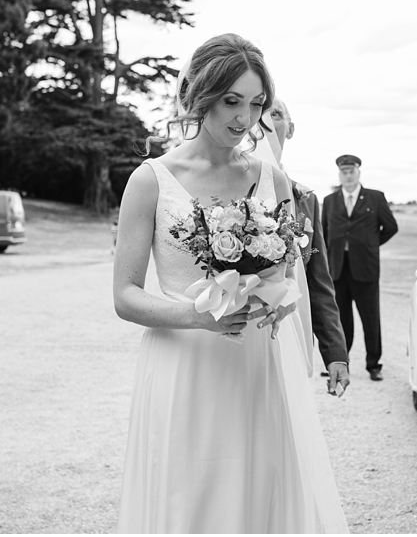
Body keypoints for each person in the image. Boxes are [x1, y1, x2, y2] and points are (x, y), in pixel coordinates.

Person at [113, 33, 348, 533]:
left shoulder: (272, 179)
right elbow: (125, 296)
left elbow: (287, 275)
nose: (244, 119)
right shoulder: (151, 179)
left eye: (256, 103)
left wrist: (271, 297)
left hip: (256, 363)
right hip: (183, 363)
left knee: (261, 496)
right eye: (232, 101)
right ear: (202, 95)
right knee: (189, 501)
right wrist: (196, 316)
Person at [261, 98, 351, 390]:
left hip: (293, 333)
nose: (266, 121)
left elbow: (318, 281)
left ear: (290, 129)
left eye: (276, 114)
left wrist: (335, 353)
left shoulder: (306, 199)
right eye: (259, 112)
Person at [322, 154, 398, 381]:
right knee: (340, 321)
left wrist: (371, 245)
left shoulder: (375, 198)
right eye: (343, 172)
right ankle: (339, 363)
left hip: (365, 269)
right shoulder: (330, 201)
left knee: (370, 319)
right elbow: (325, 233)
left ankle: (374, 365)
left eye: (351, 171)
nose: (347, 175)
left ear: (358, 173)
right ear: (339, 175)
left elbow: (391, 227)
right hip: (338, 270)